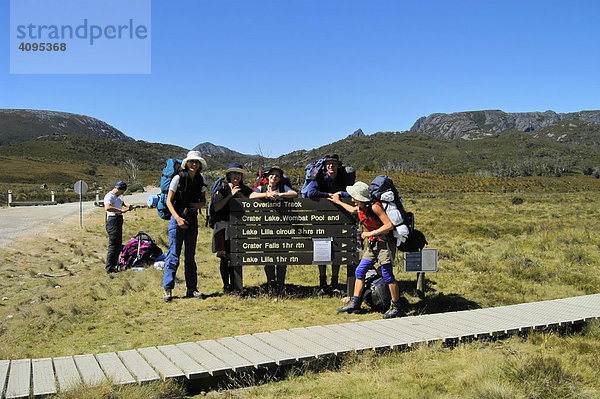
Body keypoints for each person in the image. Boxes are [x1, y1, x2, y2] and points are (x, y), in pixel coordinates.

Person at [330, 181, 406, 319]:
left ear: (359, 198)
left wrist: (370, 234)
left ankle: (396, 306)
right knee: (360, 270)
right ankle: (355, 303)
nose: (352, 198)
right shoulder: (360, 207)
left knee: (388, 275)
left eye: (354, 196)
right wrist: (338, 202)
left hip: (384, 244)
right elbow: (353, 210)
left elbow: (389, 225)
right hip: (373, 245)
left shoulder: (375, 207)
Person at [304, 154, 353, 295]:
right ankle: (322, 283)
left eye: (333, 163)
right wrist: (329, 196)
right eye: (328, 163)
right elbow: (310, 192)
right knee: (321, 249)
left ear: (338, 165)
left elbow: (351, 192)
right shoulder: (320, 176)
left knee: (337, 249)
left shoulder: (343, 177)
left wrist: (340, 193)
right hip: (321, 219)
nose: (330, 166)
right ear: (325, 166)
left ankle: (335, 282)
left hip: (339, 219)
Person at [162, 151, 207, 302]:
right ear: (186, 163)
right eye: (191, 161)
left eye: (197, 162)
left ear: (200, 164)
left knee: (190, 256)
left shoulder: (201, 179)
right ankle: (167, 289)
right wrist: (177, 218)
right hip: (177, 220)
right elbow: (169, 201)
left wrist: (201, 204)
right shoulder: (178, 178)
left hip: (192, 219)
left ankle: (192, 289)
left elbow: (204, 200)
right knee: (173, 255)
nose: (194, 164)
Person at [249, 166, 298, 293]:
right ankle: (271, 284)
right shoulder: (262, 188)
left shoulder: (282, 188)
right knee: (268, 257)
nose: (274, 177)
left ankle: (281, 285)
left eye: (277, 175)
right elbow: (252, 195)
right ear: (267, 177)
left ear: (280, 178)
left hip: (283, 229)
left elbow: (294, 193)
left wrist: (280, 194)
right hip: (267, 229)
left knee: (282, 258)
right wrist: (267, 194)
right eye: (272, 175)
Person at [211, 162, 253, 292]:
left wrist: (240, 196)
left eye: (239, 174)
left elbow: (252, 204)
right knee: (223, 256)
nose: (237, 176)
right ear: (229, 175)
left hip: (238, 226)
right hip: (222, 226)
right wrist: (230, 195)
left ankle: (236, 285)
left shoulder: (244, 189)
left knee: (235, 256)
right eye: (234, 173)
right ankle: (226, 286)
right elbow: (216, 207)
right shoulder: (222, 188)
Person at [104, 181, 133, 274]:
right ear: (118, 188)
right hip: (113, 221)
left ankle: (115, 265)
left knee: (118, 245)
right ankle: (110, 269)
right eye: (122, 191)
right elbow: (107, 207)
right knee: (113, 246)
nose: (122, 193)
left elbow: (123, 202)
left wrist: (129, 205)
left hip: (118, 221)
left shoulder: (116, 197)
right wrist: (120, 210)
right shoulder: (109, 196)